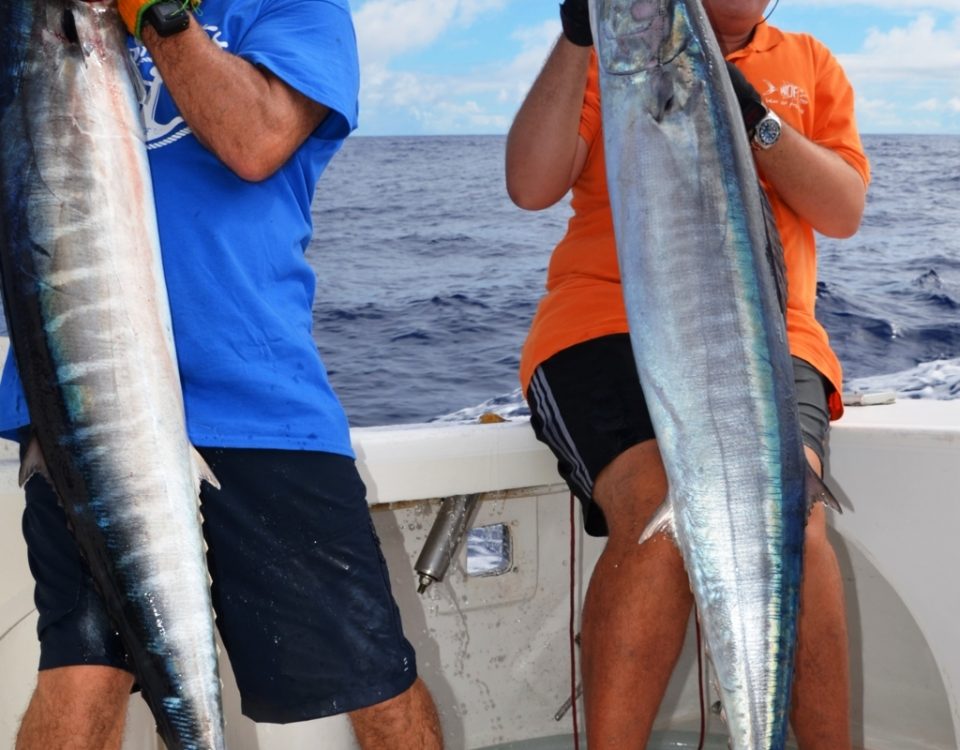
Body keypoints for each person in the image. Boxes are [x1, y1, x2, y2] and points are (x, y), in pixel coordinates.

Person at [2, 0, 442, 748]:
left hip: (259, 400)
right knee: (80, 675)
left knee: (373, 682)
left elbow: (257, 139)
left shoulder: (294, 11)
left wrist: (152, 12)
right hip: (80, 398)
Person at [505, 1, 870, 748]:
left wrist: (758, 123)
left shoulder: (811, 62)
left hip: (771, 341)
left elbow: (843, 209)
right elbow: (531, 184)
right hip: (601, 325)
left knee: (795, 514)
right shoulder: (608, 57)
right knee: (656, 508)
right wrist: (579, 37)